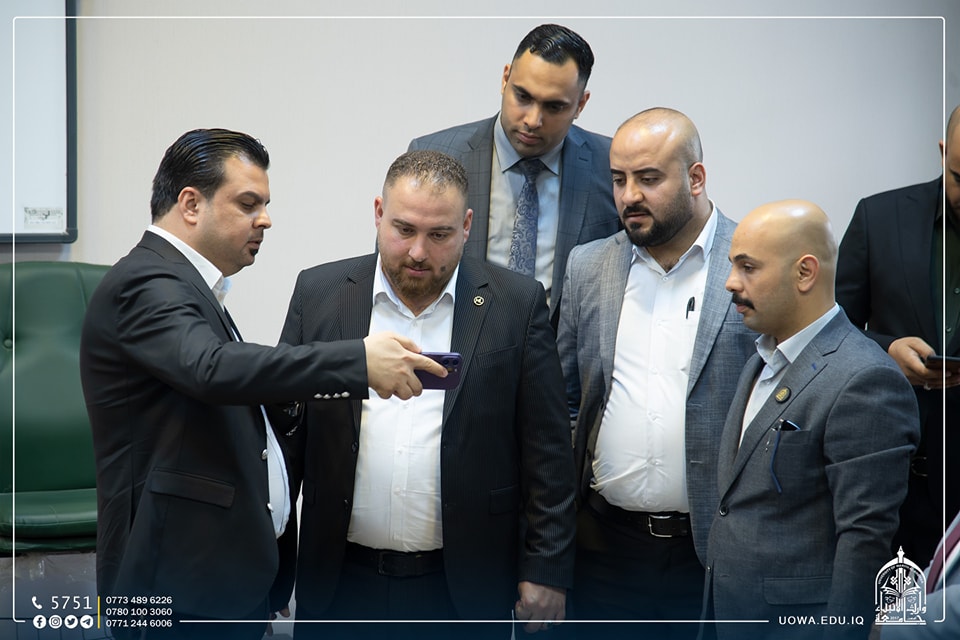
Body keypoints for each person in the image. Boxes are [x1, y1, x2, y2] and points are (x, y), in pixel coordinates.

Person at [79, 128, 446, 640]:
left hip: (213, 582)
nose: (266, 219)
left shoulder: (189, 287)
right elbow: (211, 368)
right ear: (191, 204)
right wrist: (357, 362)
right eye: (248, 204)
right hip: (173, 587)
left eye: (265, 205)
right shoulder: (147, 282)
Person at [282, 150, 576, 640]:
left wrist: (547, 567)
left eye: (439, 235)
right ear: (379, 213)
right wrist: (269, 570)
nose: (418, 252)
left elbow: (548, 451)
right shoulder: (320, 294)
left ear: (466, 225)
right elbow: (284, 443)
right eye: (404, 229)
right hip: (338, 583)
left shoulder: (516, 304)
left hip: (461, 590)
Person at [556, 107, 756, 638]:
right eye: (619, 179)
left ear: (696, 178)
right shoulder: (588, 266)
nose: (629, 196)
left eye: (648, 179)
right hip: (603, 549)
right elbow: (565, 402)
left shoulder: (752, 261)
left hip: (711, 554)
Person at [704, 199, 920, 640]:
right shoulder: (761, 359)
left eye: (748, 267)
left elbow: (863, 543)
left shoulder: (866, 379)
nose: (730, 282)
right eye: (732, 265)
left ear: (805, 272)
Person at [408, 23, 620, 326]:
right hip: (458, 345)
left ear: (580, 104)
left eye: (554, 107)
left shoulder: (612, 166)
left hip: (561, 352)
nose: (533, 120)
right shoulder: (435, 156)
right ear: (505, 78)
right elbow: (397, 270)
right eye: (523, 97)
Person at [836, 104, 960, 567]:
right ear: (943, 152)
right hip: (891, 485)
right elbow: (830, 331)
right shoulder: (878, 217)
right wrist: (885, 351)